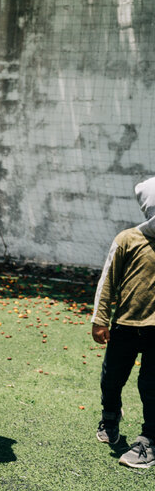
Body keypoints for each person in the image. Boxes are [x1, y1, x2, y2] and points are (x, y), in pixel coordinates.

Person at [91, 176, 155, 469]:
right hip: (126, 326)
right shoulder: (128, 239)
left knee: (151, 384)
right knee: (111, 378)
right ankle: (110, 417)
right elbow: (107, 282)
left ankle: (149, 439)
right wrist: (100, 319)